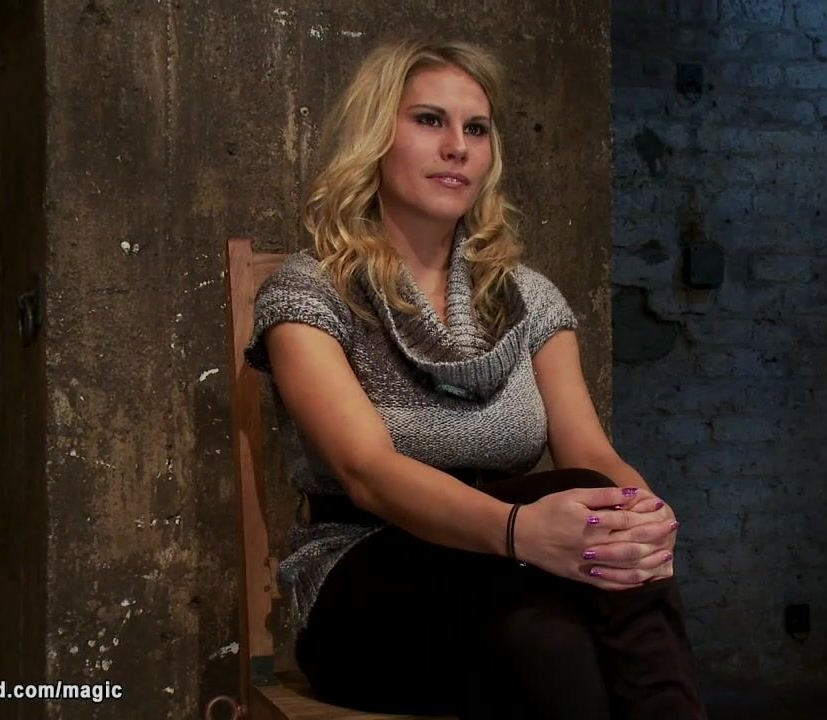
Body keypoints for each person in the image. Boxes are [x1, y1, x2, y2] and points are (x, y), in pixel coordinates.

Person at [243, 37, 707, 720]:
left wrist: (645, 516)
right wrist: (520, 530)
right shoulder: (309, 295)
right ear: (376, 137)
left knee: (554, 645)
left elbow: (589, 450)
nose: (457, 146)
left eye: (477, 128)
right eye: (429, 120)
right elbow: (368, 472)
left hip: (510, 583)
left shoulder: (531, 299)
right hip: (366, 589)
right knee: (585, 503)